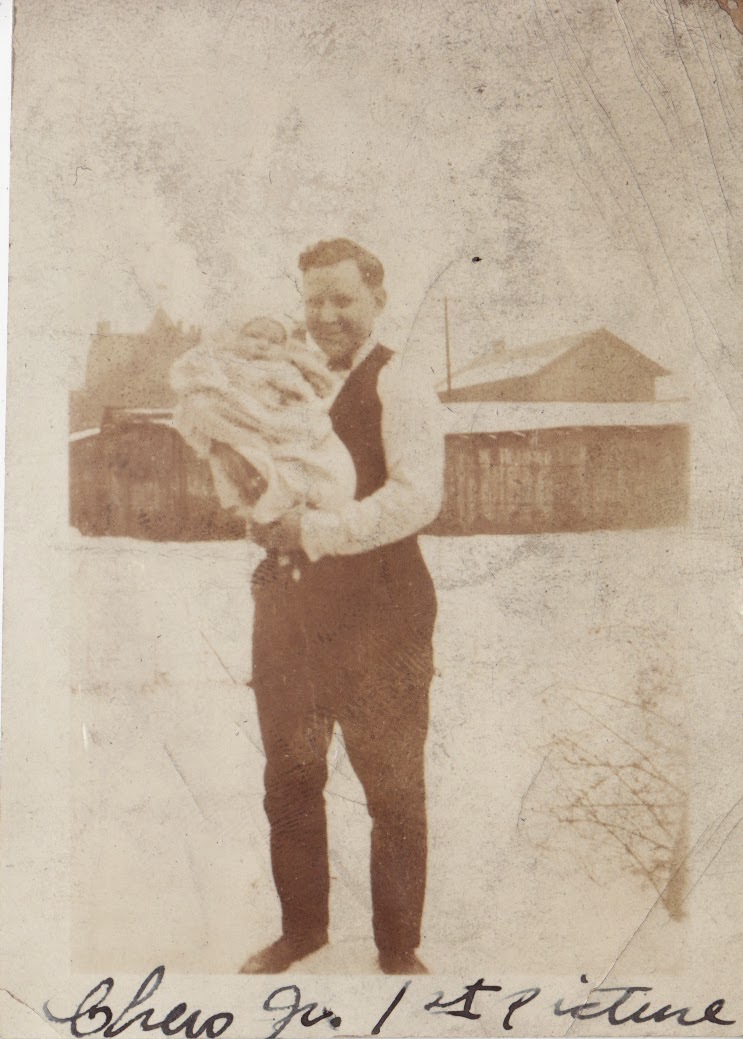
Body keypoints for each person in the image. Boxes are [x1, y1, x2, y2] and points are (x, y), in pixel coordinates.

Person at [242, 238, 445, 976]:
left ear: (377, 300)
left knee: (391, 786)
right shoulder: (289, 384)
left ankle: (397, 947)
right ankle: (303, 930)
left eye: (343, 299)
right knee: (290, 779)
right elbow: (262, 477)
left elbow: (417, 498)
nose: (325, 315)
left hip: (381, 613)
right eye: (313, 299)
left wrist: (315, 531)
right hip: (289, 611)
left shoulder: (401, 381)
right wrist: (258, 509)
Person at [170, 315, 356, 525]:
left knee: (291, 459)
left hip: (274, 420)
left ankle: (287, 494)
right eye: (254, 336)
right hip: (238, 422)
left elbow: (303, 395)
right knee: (223, 450)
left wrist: (296, 398)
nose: (263, 344)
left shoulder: (281, 368)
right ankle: (243, 500)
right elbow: (198, 383)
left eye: (274, 341)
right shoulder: (224, 362)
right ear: (236, 337)